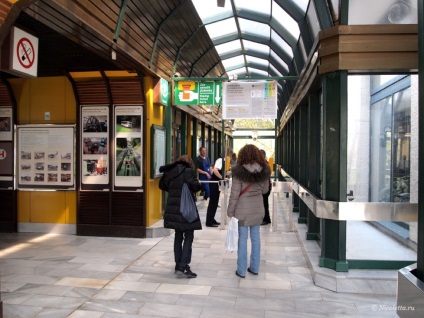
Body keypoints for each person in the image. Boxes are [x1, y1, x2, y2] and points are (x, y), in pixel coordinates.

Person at [227, 144, 271, 278]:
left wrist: (230, 211)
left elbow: (234, 194)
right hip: (258, 208)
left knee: (243, 239)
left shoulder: (238, 172)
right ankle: (254, 268)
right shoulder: (263, 171)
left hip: (242, 210)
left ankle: (241, 270)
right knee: (256, 238)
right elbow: (265, 190)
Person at [159, 155, 202, 278]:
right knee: (189, 235)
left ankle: (178, 264)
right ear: (189, 163)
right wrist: (198, 184)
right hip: (186, 209)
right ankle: (183, 265)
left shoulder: (170, 171)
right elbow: (196, 186)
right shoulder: (188, 171)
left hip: (173, 208)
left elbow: (162, 185)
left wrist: (173, 190)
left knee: (178, 235)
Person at [206, 146, 233, 227]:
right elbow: (215, 170)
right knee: (213, 202)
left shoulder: (223, 160)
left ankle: (211, 219)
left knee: (215, 201)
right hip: (215, 183)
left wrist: (228, 173)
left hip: (216, 183)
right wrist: (222, 178)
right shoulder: (221, 160)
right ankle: (209, 221)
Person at [260, 149, 272, 225]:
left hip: (265, 187)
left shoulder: (264, 165)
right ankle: (267, 218)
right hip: (265, 187)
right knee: (264, 203)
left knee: (264, 203)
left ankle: (266, 219)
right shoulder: (265, 164)